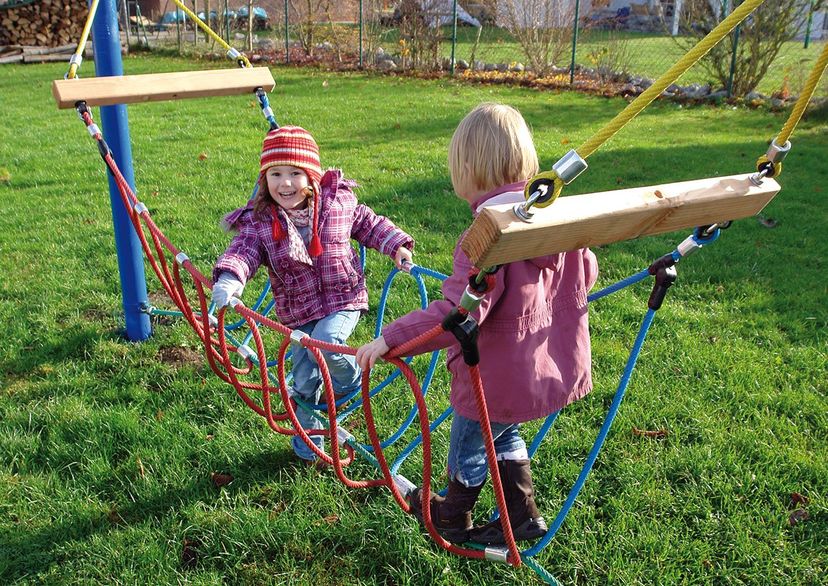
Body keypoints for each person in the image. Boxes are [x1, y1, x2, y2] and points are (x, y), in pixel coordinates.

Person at [356, 103, 598, 545]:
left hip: (491, 378)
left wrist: (390, 339)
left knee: (469, 442)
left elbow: (457, 316)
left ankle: (453, 513)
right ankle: (523, 515)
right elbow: (589, 270)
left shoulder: (486, 237)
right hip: (544, 366)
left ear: (467, 169)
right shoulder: (556, 217)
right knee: (505, 432)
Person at [212, 125, 414, 466]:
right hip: (298, 310)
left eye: (295, 173)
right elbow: (244, 250)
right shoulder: (262, 221)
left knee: (328, 340)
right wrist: (231, 278)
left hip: (342, 297)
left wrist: (397, 246)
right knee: (304, 380)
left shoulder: (339, 203)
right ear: (264, 179)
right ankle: (309, 448)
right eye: (275, 174)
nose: (285, 183)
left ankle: (349, 382)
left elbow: (369, 224)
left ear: (312, 176)